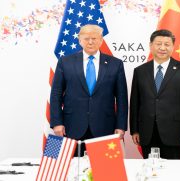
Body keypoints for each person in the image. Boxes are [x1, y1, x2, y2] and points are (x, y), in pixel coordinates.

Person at [50, 24, 128, 156]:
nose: (90, 42)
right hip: (71, 127)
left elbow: (122, 98)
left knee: (106, 173)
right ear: (80, 40)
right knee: (71, 172)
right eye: (86, 38)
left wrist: (121, 126)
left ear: (101, 40)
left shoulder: (116, 64)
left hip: (105, 128)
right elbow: (56, 94)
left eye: (94, 38)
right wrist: (57, 123)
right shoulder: (65, 62)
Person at [130, 29, 180, 159]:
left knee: (175, 173)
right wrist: (134, 129)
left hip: (176, 133)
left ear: (173, 47)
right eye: (158, 44)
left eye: (167, 44)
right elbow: (135, 102)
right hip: (147, 132)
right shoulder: (140, 71)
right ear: (151, 45)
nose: (162, 48)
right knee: (151, 173)